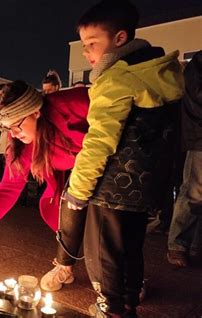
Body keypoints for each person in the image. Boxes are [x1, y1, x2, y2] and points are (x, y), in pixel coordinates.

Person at [63, 1, 184, 316]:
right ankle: (130, 300)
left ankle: (111, 309)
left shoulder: (116, 79)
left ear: (119, 39)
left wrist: (78, 189)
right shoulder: (160, 72)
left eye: (92, 43)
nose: (87, 52)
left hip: (113, 186)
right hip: (145, 185)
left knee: (104, 255)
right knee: (131, 247)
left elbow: (100, 140)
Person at [0, 80, 90, 288]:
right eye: (9, 128)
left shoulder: (67, 104)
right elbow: (10, 186)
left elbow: (110, 109)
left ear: (35, 112)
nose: (14, 133)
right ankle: (65, 266)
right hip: (76, 172)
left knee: (108, 221)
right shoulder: (21, 141)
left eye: (17, 125)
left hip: (111, 157)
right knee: (67, 212)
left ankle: (125, 281)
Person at [167, 51, 202, 267]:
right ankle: (177, 244)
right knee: (194, 190)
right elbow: (196, 95)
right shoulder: (198, 64)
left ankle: (193, 245)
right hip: (200, 137)